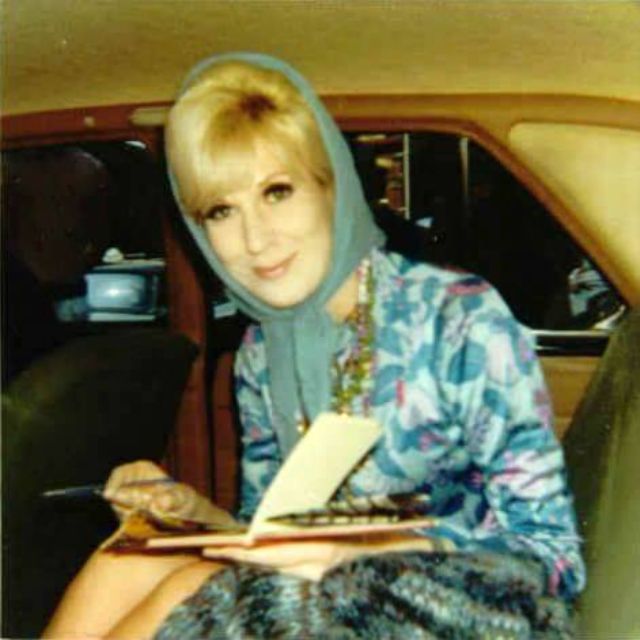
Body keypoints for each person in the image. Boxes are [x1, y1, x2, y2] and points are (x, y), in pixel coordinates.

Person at [44, 53, 585, 639]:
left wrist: (370, 548)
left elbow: (553, 559)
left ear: (331, 187)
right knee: (125, 561)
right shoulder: (261, 352)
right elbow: (271, 532)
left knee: (191, 588)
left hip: (474, 610)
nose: (256, 239)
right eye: (222, 211)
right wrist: (189, 512)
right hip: (327, 600)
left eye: (277, 192)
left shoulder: (457, 316)